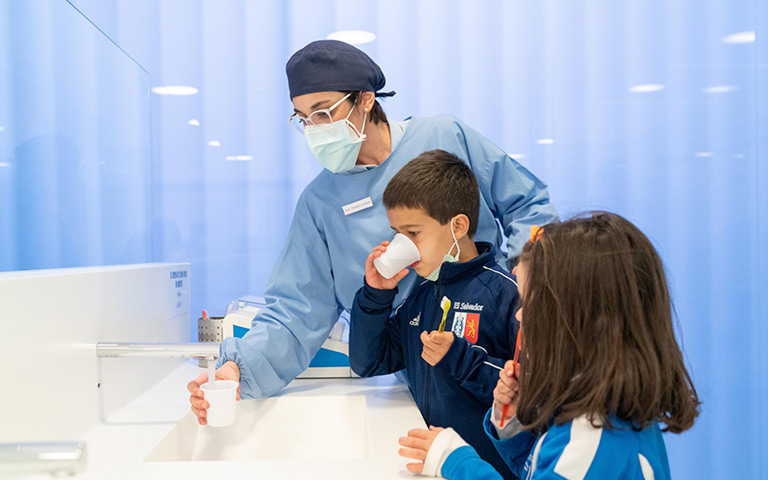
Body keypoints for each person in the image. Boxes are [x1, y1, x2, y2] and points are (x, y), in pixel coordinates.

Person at [187, 39, 558, 424]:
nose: (314, 129)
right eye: (303, 118)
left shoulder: (446, 137)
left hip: (497, 342)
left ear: (365, 100)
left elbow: (527, 206)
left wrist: (528, 290)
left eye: (323, 112)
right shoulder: (321, 201)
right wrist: (238, 371)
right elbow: (296, 311)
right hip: (417, 366)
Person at [397, 212, 701, 479]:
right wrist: (515, 423)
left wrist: (456, 460)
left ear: (576, 320)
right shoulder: (598, 412)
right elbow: (542, 469)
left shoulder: (593, 441)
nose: (519, 314)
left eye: (528, 303)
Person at [349, 150, 520, 479]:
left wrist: (460, 358)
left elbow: (528, 392)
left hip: (486, 470)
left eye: (413, 233)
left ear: (458, 226)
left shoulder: (506, 295)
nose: (403, 244)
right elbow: (368, 361)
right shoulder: (422, 296)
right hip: (430, 466)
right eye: (397, 233)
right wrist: (376, 293)